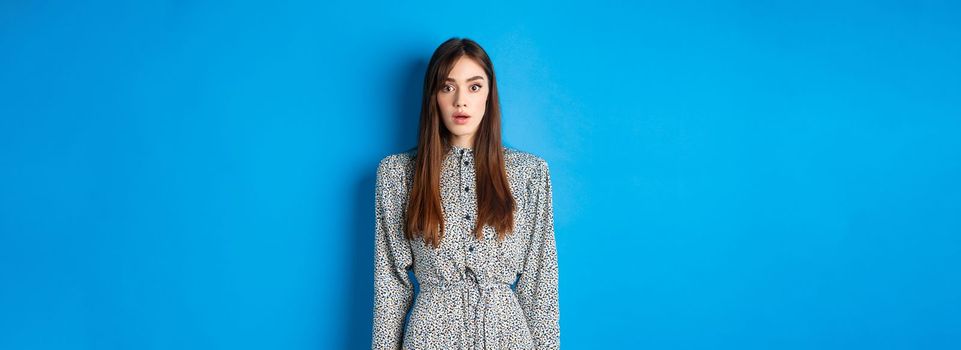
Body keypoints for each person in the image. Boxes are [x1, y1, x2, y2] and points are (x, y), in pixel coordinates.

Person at [371, 37, 559, 350]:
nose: (461, 101)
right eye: (447, 87)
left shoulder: (530, 173)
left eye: (474, 86)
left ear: (489, 94)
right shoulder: (398, 173)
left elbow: (541, 287)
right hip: (429, 339)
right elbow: (390, 286)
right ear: (433, 96)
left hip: (508, 338)